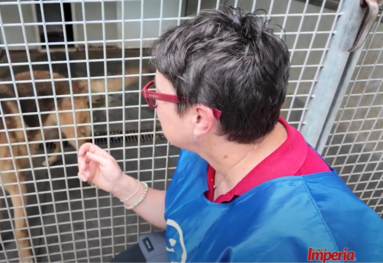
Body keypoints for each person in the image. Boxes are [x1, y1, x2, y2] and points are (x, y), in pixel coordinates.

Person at [77, 5, 383, 263]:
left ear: (200, 118)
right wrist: (120, 185)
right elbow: (182, 217)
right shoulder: (214, 141)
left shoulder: (316, 239)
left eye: (156, 94)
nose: (153, 103)